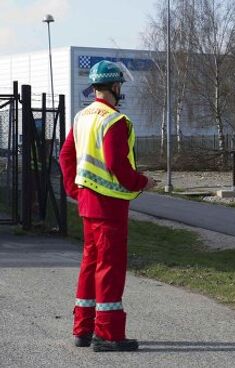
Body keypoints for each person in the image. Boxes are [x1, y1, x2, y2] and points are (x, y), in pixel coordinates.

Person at [59, 60, 156, 351]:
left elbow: (65, 157)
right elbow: (117, 164)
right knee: (110, 267)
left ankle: (83, 329)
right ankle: (109, 334)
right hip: (110, 206)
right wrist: (142, 182)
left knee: (90, 264)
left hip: (88, 203)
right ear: (115, 87)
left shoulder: (82, 117)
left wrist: (75, 190)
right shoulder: (115, 121)